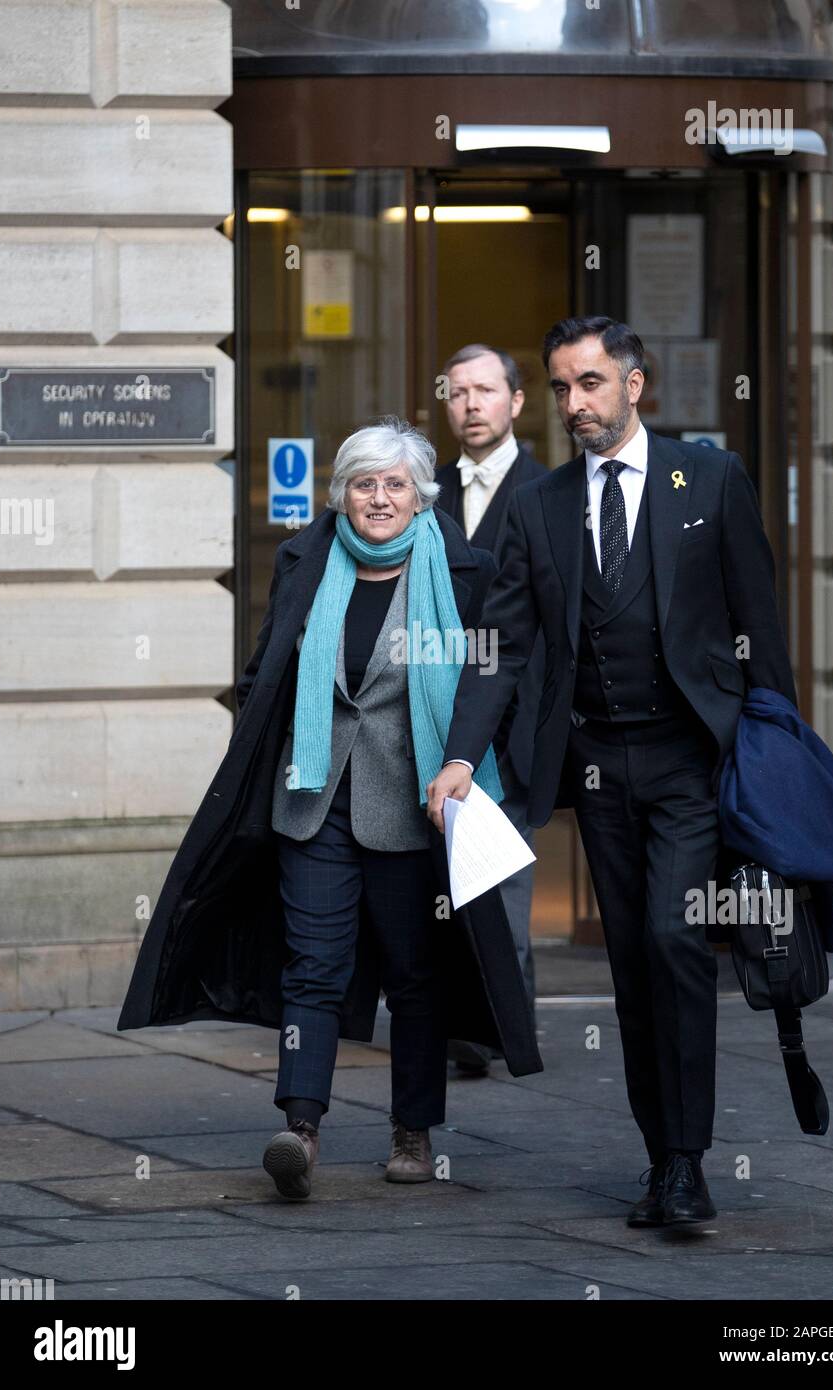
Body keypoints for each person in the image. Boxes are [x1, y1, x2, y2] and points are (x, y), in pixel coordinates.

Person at [426, 316, 797, 1228]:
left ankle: (689, 1161)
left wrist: (779, 755)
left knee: (676, 941)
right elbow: (501, 643)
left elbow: (761, 627)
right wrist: (463, 752)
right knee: (633, 962)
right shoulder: (541, 503)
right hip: (597, 768)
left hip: (689, 761)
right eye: (559, 387)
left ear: (635, 384)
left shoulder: (706, 478)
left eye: (589, 383)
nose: (573, 404)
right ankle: (662, 1159)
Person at [117, 417, 542, 1202]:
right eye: (363, 483)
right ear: (340, 493)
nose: (379, 498)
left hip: (416, 809)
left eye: (395, 484)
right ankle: (300, 1127)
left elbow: (494, 687)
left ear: (421, 496)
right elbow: (266, 669)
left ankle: (412, 1130)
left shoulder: (464, 570)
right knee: (310, 968)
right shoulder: (306, 560)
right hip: (312, 800)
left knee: (415, 979)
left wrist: (467, 769)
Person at [434, 344, 547, 1075]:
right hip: (437, 705)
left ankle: (509, 1025)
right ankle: (455, 1027)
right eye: (457, 393)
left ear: (516, 401)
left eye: (486, 390)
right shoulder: (424, 489)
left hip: (517, 714)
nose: (471, 404)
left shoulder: (550, 489)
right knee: (442, 876)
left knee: (502, 878)